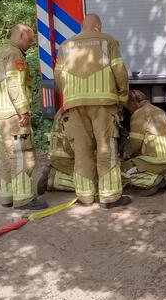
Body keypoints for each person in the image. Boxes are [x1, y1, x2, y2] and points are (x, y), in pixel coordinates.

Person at [55, 13, 131, 208]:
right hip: (103, 104)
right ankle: (110, 197)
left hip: (74, 105)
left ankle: (85, 196)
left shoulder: (65, 46)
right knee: (106, 148)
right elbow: (119, 71)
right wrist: (122, 97)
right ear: (98, 26)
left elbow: (58, 77)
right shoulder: (107, 41)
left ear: (82, 26)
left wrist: (70, 95)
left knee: (81, 150)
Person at [0, 24, 48, 210]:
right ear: (21, 35)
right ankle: (24, 199)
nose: (32, 44)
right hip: (14, 115)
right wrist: (23, 110)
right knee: (22, 155)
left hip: (0, 112)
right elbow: (14, 84)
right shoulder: (14, 55)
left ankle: (7, 197)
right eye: (30, 39)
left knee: (7, 157)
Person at [121, 90, 166, 196]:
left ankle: (153, 181)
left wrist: (125, 158)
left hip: (153, 160)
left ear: (134, 102)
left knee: (119, 172)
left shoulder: (138, 114)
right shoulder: (158, 110)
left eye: (128, 106)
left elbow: (134, 145)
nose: (128, 110)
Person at [37, 108, 76, 194]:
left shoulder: (64, 110)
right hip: (65, 159)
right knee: (89, 183)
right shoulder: (70, 115)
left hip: (61, 157)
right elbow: (70, 146)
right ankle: (52, 179)